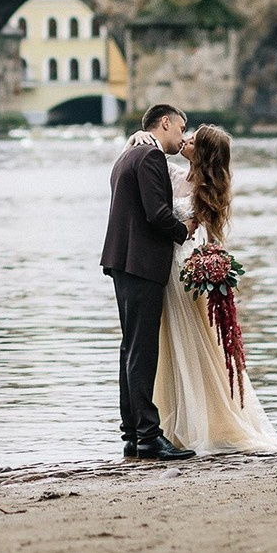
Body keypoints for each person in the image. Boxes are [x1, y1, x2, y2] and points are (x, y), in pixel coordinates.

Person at [145, 124, 277, 454]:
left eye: (193, 140)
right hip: (165, 269)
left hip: (185, 274)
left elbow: (208, 240)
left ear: (204, 152)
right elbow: (148, 155)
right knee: (169, 347)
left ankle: (209, 423)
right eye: (187, 135)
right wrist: (141, 137)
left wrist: (209, 271)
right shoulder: (175, 173)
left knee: (194, 346)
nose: (186, 140)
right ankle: (175, 425)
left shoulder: (207, 189)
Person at [100, 104, 196, 462]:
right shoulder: (151, 157)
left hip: (121, 262)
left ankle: (132, 435)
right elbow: (157, 214)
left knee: (130, 349)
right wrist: (183, 230)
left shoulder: (127, 155)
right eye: (180, 128)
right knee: (142, 351)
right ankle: (149, 436)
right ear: (165, 123)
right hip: (141, 264)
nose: (182, 136)